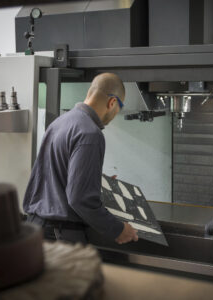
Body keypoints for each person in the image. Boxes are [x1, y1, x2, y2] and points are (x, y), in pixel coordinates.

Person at [23, 73, 138, 245]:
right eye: (118, 109)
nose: (115, 115)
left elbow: (55, 176)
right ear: (112, 103)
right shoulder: (90, 133)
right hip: (61, 237)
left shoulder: (59, 122)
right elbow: (80, 199)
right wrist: (118, 229)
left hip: (35, 228)